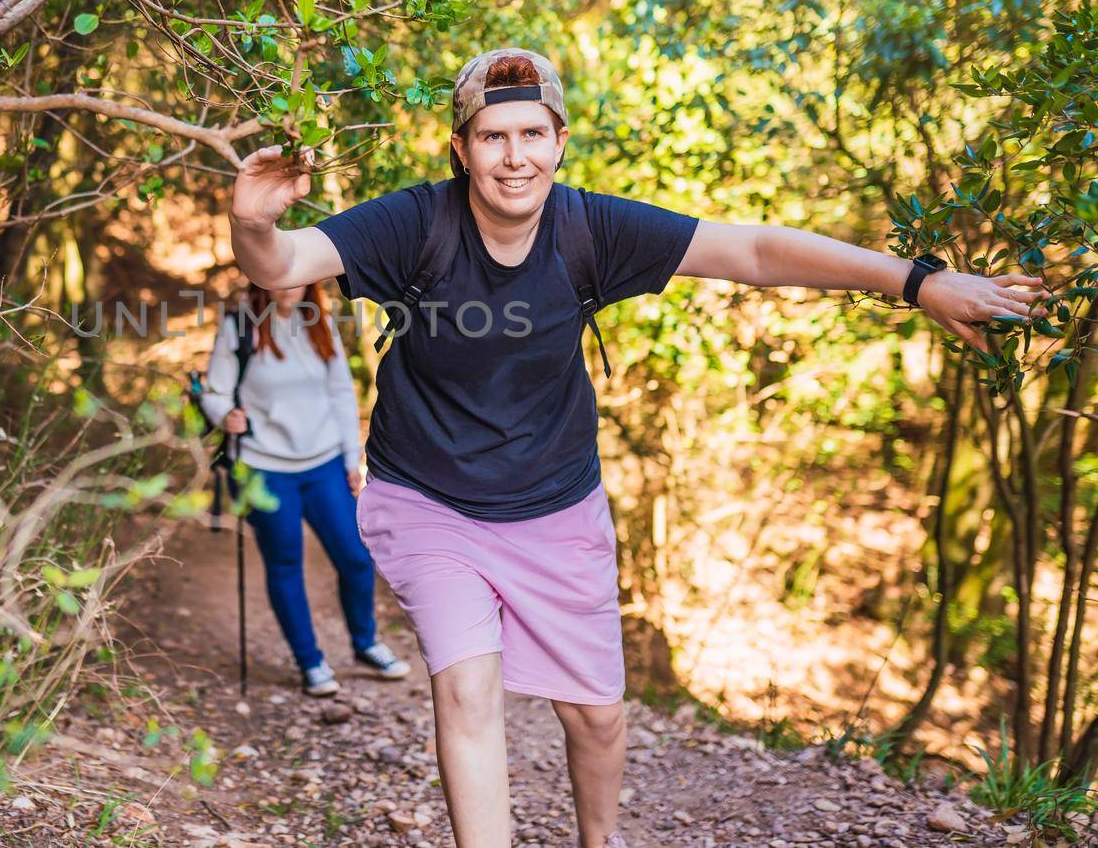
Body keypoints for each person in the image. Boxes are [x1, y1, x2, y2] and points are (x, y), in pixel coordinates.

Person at [226, 48, 1054, 848]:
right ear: (461, 149)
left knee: (597, 713)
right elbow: (286, 261)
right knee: (466, 690)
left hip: (555, 502)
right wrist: (252, 221)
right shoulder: (416, 222)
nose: (514, 158)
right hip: (430, 500)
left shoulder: (592, 228)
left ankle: (600, 834)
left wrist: (916, 280)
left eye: (531, 135)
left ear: (558, 143)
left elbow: (753, 251)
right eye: (492, 137)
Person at [198, 281, 412, 697]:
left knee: (354, 558)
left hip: (324, 463)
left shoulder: (319, 322)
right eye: (279, 275)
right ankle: (310, 662)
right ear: (263, 277)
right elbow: (215, 392)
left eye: (298, 275)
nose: (290, 285)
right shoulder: (238, 327)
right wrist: (225, 415)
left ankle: (365, 643)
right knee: (285, 564)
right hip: (264, 467)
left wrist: (353, 458)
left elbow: (340, 395)